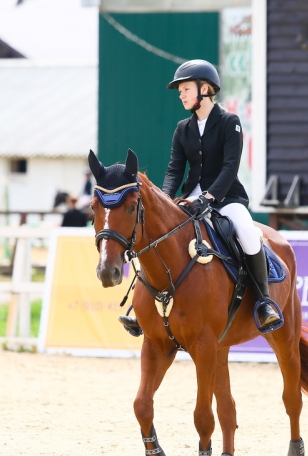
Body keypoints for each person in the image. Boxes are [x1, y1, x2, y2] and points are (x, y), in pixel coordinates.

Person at [121, 59, 283, 336]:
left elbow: (231, 167)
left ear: (205, 88)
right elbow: (174, 169)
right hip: (190, 198)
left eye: (185, 89)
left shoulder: (229, 122)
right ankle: (141, 307)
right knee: (158, 235)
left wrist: (209, 198)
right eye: (180, 90)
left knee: (246, 231)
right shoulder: (182, 128)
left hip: (226, 197)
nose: (181, 95)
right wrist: (165, 199)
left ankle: (264, 302)